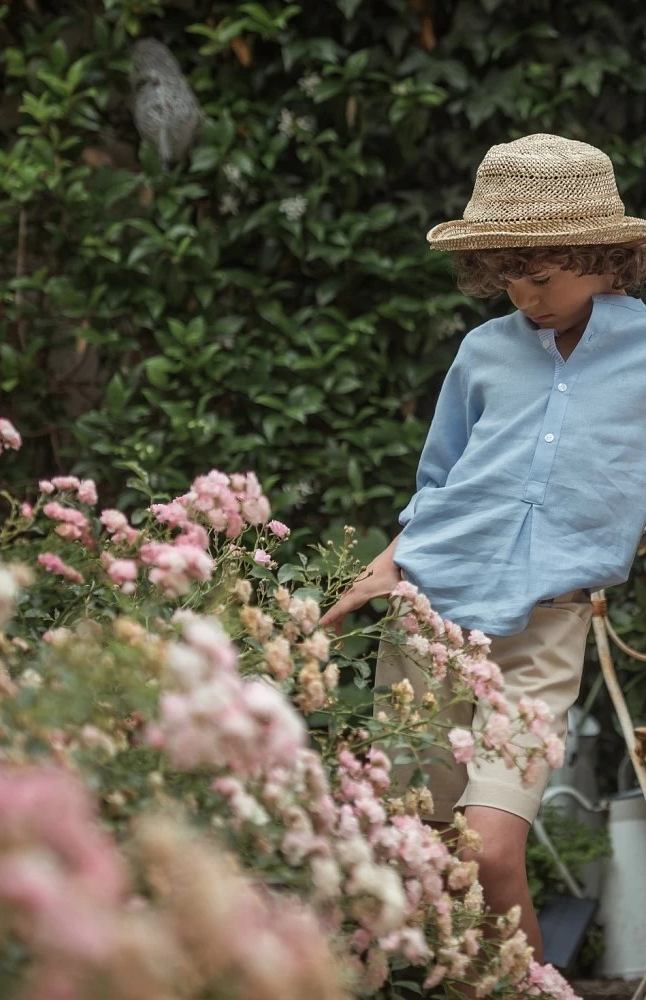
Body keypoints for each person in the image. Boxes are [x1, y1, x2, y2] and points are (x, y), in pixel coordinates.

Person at [319, 133, 646, 959]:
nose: (523, 294)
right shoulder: (482, 353)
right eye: (506, 274)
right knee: (422, 857)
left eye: (542, 274)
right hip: (429, 617)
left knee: (488, 849)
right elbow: (439, 486)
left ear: (606, 257)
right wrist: (388, 565)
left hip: (544, 632)